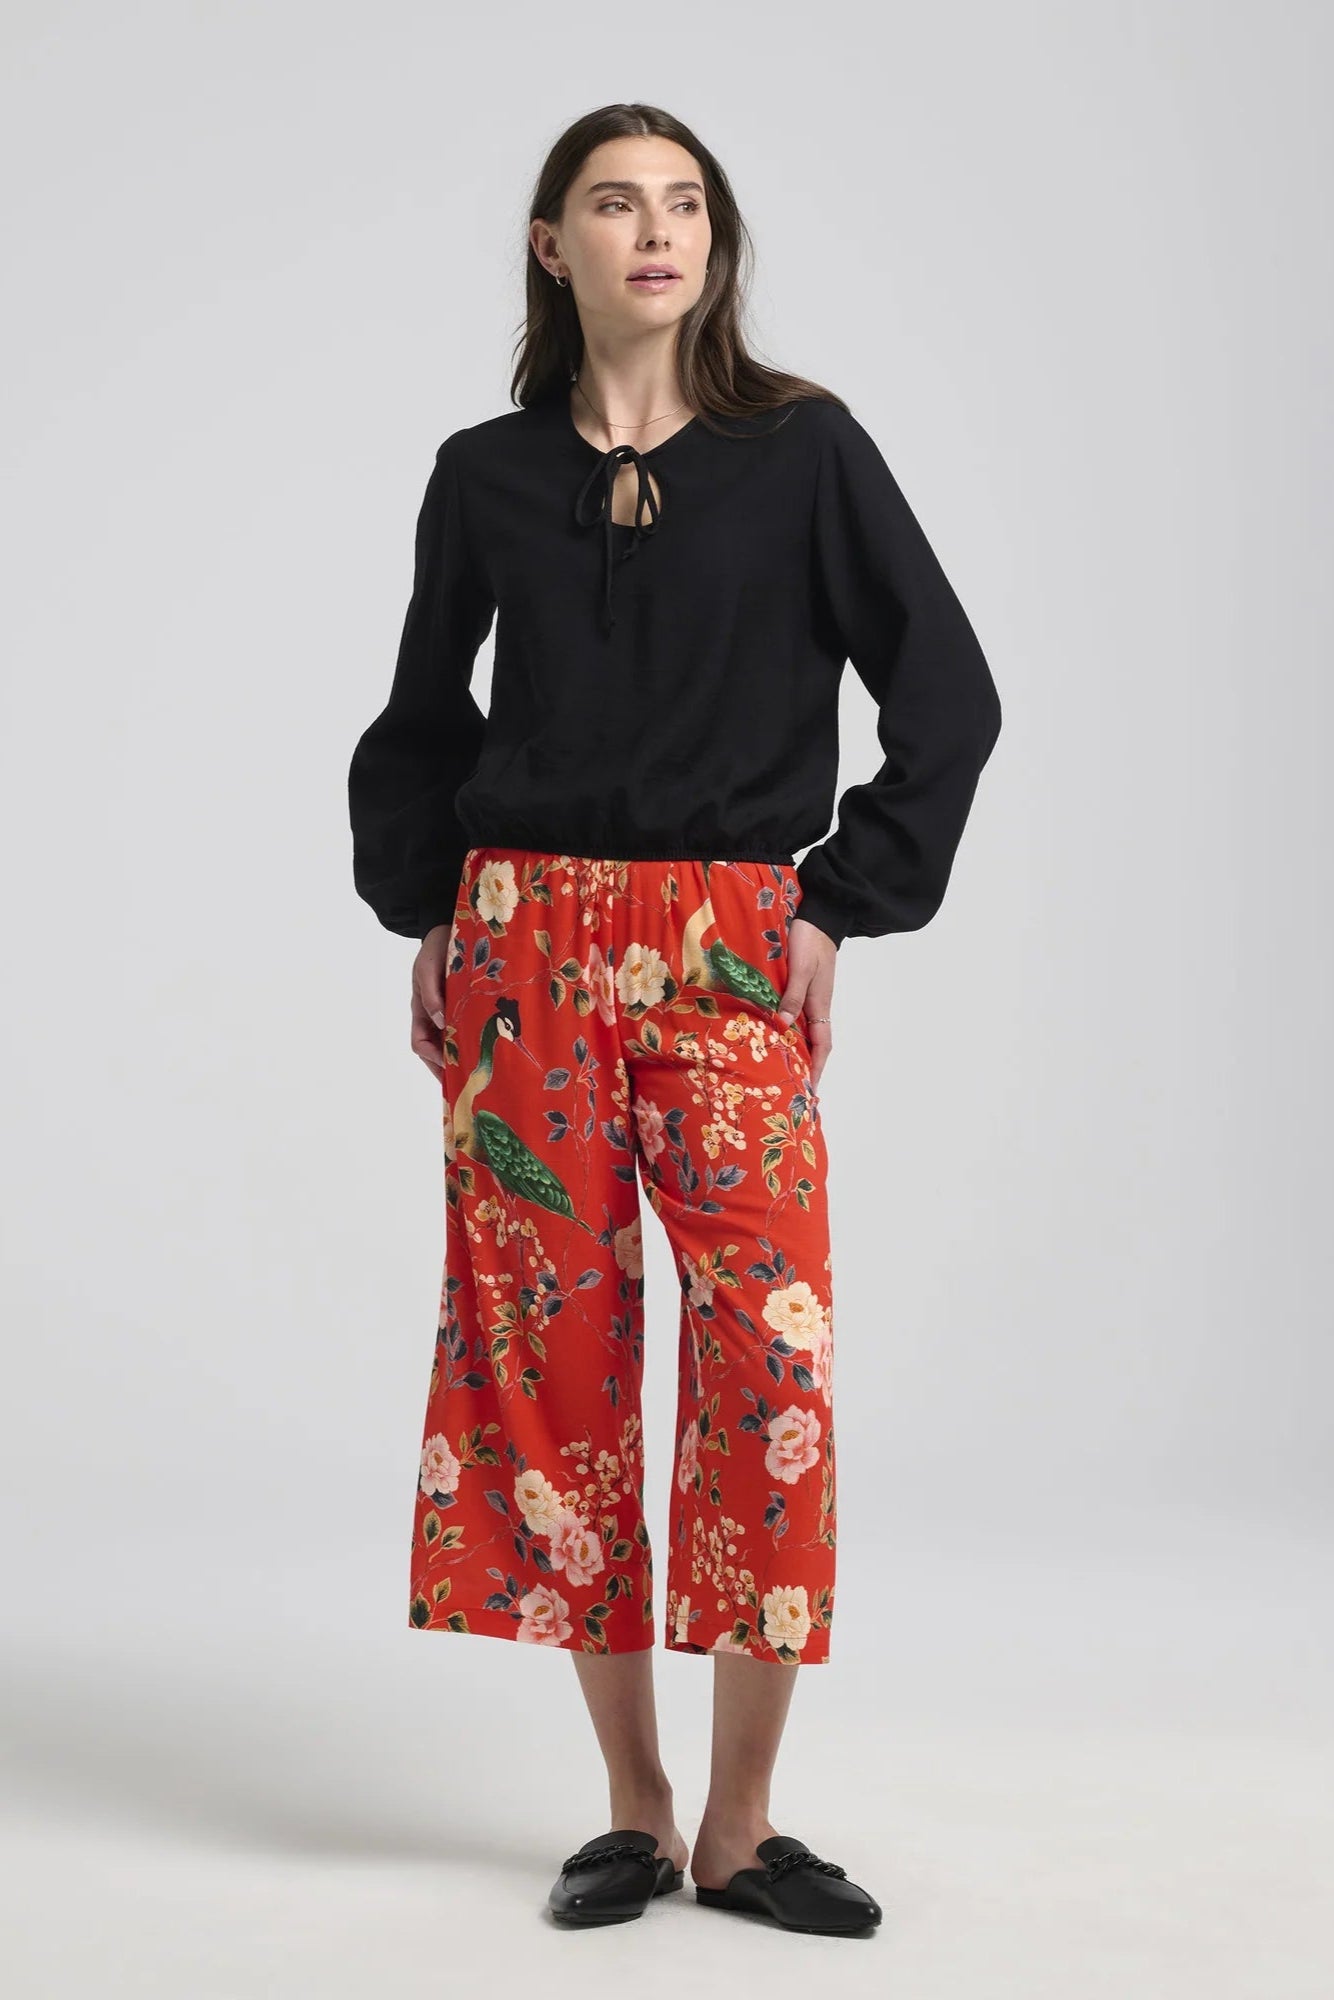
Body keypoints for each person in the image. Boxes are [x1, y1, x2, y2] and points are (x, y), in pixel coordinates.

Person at [347, 103, 1001, 1937]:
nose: (657, 231)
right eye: (615, 203)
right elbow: (422, 713)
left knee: (764, 1366)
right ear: (548, 244)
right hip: (522, 952)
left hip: (724, 949)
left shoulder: (804, 451)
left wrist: (839, 901)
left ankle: (742, 1823)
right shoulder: (484, 473)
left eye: (686, 204)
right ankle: (634, 1810)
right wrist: (427, 909)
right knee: (546, 1366)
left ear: (714, 242)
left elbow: (947, 693)